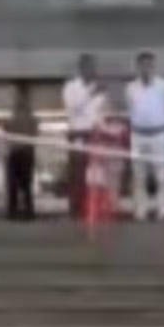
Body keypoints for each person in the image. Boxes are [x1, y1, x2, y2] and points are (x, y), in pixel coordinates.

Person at [125, 51, 164, 221]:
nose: (146, 68)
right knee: (138, 174)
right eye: (142, 65)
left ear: (154, 66)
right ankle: (140, 209)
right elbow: (130, 112)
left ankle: (163, 208)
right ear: (138, 67)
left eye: (149, 65)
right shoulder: (130, 88)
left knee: (161, 174)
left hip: (160, 134)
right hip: (138, 135)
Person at [63, 54, 106, 218]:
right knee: (78, 173)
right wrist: (91, 93)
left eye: (93, 66)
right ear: (80, 68)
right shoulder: (71, 87)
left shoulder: (99, 87)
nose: (91, 70)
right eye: (87, 66)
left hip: (95, 134)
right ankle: (75, 208)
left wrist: (104, 128)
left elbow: (99, 113)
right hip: (78, 133)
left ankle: (93, 206)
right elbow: (73, 109)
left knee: (96, 174)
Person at [5, 83, 38, 222]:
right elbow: (35, 132)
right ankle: (28, 211)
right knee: (26, 185)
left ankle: (13, 211)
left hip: (15, 151)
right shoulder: (31, 117)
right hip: (27, 151)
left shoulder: (14, 115)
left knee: (13, 184)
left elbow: (7, 129)